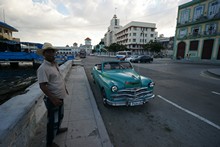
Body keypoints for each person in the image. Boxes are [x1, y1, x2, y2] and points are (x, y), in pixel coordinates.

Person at [37, 42, 68, 147]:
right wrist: (53, 99)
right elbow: (43, 86)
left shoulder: (54, 64)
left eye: (52, 52)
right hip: (53, 99)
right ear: (44, 54)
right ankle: (49, 144)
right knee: (52, 122)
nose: (51, 54)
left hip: (60, 96)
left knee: (60, 116)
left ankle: (58, 130)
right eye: (48, 52)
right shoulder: (43, 68)